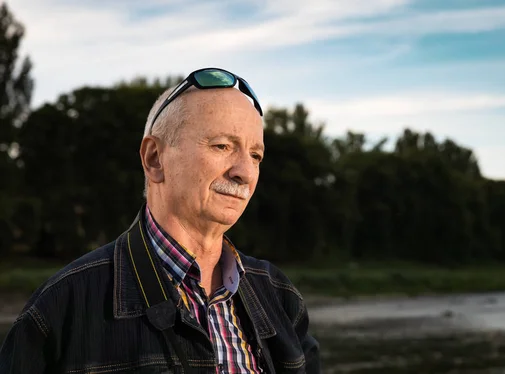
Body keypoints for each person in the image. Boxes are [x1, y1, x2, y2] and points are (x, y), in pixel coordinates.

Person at [0, 68, 321, 373]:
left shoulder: (279, 294)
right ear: (154, 159)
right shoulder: (62, 305)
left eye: (255, 155)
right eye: (223, 146)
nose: (246, 173)